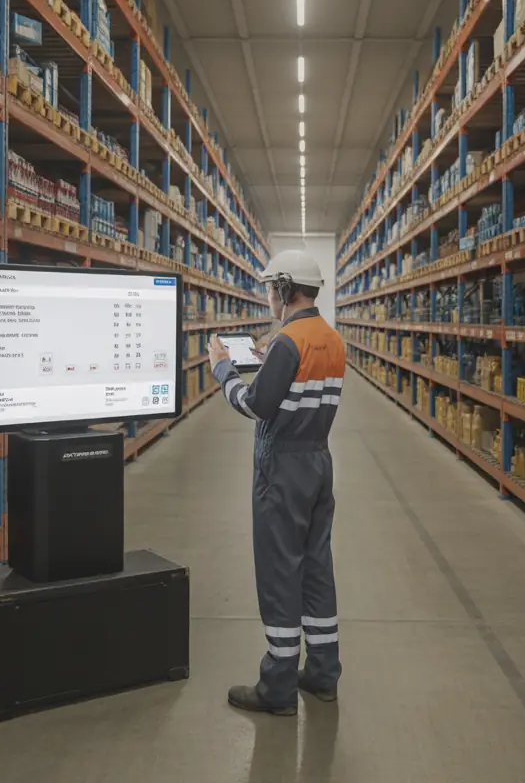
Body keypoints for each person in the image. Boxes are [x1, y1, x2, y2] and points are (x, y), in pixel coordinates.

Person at [207, 249, 345, 716]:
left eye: (270, 288)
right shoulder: (329, 337)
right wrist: (269, 358)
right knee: (315, 566)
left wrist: (223, 369)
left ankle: (278, 688)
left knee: (279, 572)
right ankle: (323, 673)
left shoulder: (288, 342)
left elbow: (255, 405)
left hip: (282, 469)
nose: (268, 296)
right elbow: (297, 385)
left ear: (285, 289)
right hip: (318, 461)